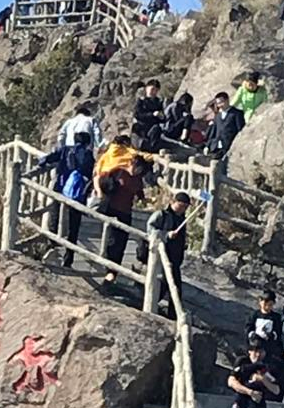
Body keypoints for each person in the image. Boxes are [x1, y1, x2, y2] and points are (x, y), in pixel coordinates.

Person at [94, 137, 154, 284]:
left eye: (141, 171)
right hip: (111, 207)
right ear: (132, 163)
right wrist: (100, 194)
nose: (137, 172)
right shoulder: (118, 171)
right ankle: (107, 268)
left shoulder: (137, 178)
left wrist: (144, 199)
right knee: (111, 240)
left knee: (121, 242)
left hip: (125, 211)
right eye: (137, 169)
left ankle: (113, 272)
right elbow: (99, 179)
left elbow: (139, 191)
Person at [39, 133, 95, 269]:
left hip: (61, 189)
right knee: (73, 226)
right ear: (88, 143)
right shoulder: (89, 156)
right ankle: (69, 258)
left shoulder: (65, 149)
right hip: (77, 195)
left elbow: (49, 158)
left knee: (55, 216)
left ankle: (51, 245)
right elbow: (91, 174)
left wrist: (42, 162)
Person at [146, 191, 191, 319]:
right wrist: (166, 235)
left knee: (176, 289)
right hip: (163, 256)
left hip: (176, 259)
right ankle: (151, 308)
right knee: (165, 286)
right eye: (181, 205)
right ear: (173, 202)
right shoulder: (161, 215)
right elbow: (150, 230)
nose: (183, 209)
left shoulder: (182, 219)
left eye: (186, 207)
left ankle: (172, 316)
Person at [245, 289, 284, 393]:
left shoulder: (276, 317)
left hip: (269, 349)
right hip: (255, 346)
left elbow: (278, 331)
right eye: (265, 304)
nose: (267, 307)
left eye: (270, 305)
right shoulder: (255, 315)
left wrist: (272, 335)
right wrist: (253, 335)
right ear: (260, 302)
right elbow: (248, 328)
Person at [205, 91, 245, 160]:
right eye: (218, 103)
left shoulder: (237, 113)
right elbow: (213, 132)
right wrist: (207, 146)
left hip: (229, 146)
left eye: (221, 102)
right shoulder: (217, 116)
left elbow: (240, 130)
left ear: (227, 100)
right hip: (216, 146)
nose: (220, 105)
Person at [132, 79, 165, 153]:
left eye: (156, 90)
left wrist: (161, 117)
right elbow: (138, 115)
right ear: (147, 88)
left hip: (152, 129)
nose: (153, 92)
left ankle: (153, 148)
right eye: (152, 89)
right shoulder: (141, 101)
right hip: (141, 128)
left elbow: (162, 119)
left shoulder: (158, 102)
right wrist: (152, 114)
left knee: (157, 128)